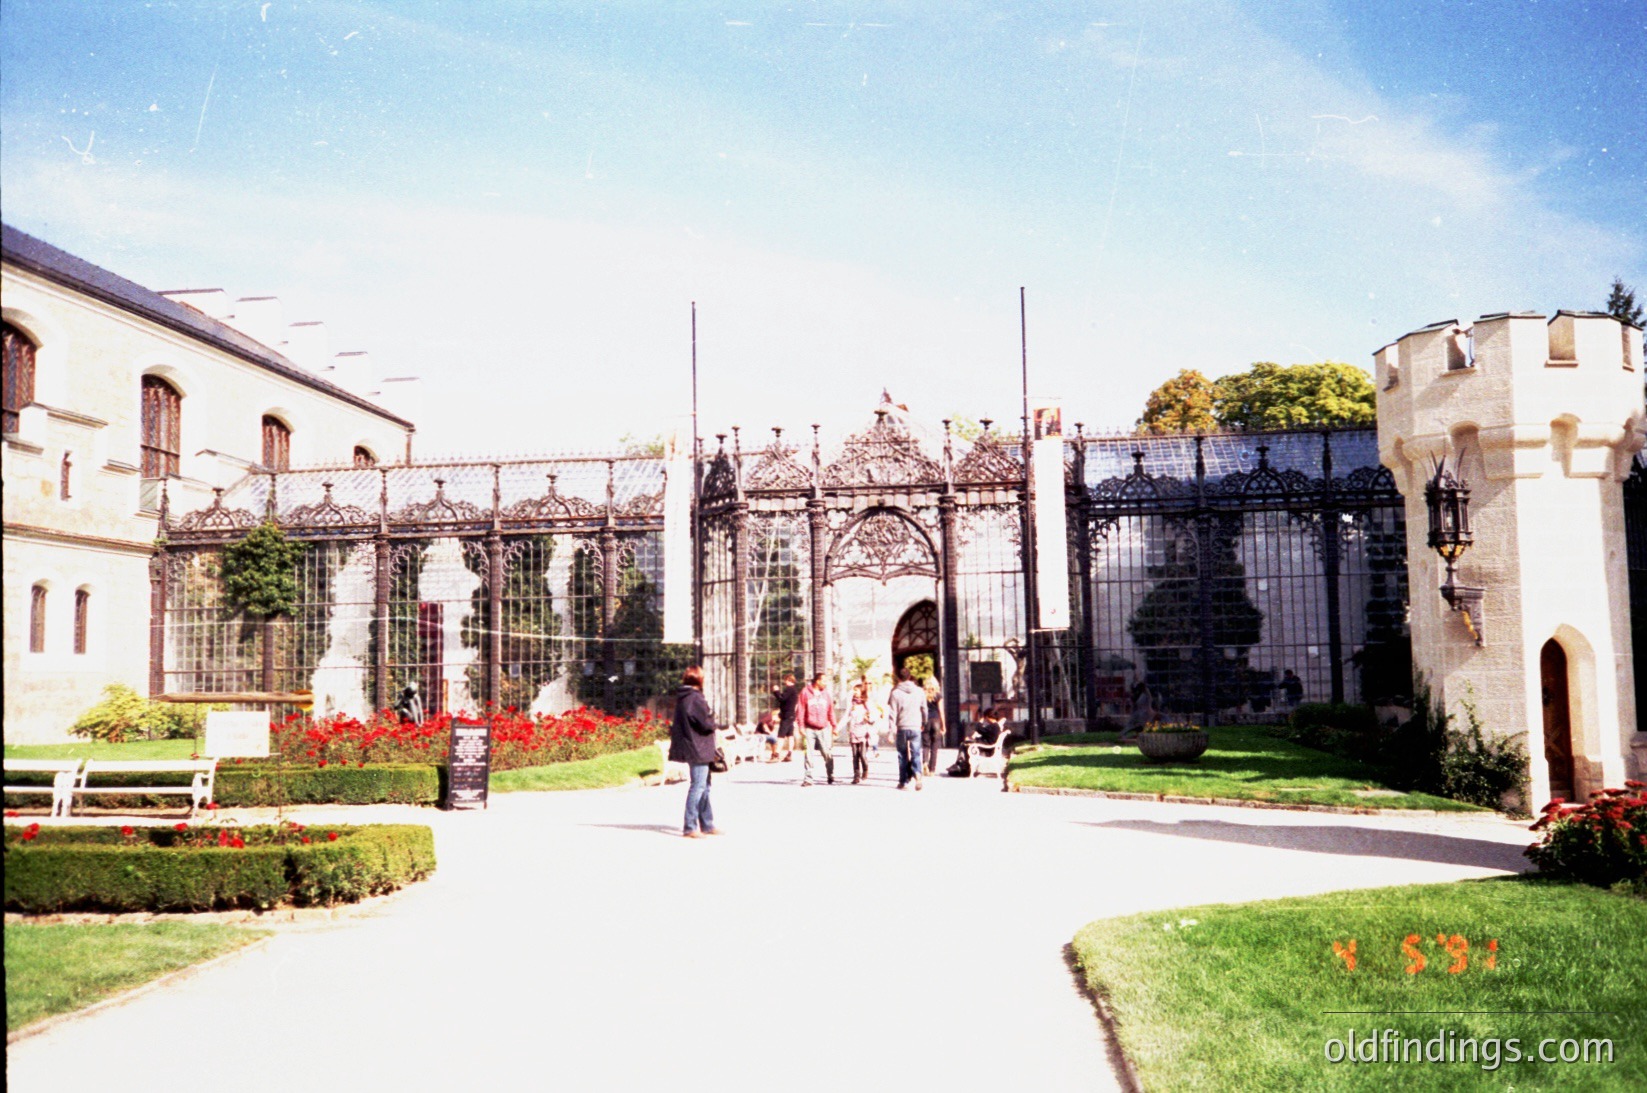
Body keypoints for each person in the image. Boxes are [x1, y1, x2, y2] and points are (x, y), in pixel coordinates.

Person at [669, 665, 721, 838]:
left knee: (704, 787)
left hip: (694, 746)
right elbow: (705, 724)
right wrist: (712, 720)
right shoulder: (695, 698)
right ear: (698, 679)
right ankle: (690, 826)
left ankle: (707, 823)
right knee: (698, 786)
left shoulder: (684, 697)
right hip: (699, 747)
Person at [888, 666, 927, 790]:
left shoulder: (895, 693)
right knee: (916, 753)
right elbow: (924, 709)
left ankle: (903, 781)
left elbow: (892, 713)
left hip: (902, 727)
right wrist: (924, 722)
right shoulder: (920, 691)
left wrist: (891, 731)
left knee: (902, 754)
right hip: (916, 726)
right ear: (910, 677)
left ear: (899, 678)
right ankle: (918, 775)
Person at [797, 671, 837, 786]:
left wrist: (834, 726)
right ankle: (808, 779)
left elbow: (830, 711)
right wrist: (801, 726)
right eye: (824, 681)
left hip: (824, 728)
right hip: (810, 728)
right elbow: (801, 710)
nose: (826, 683)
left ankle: (830, 775)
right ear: (817, 681)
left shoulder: (826, 694)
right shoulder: (805, 692)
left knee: (827, 753)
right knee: (808, 754)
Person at [844, 683, 879, 784]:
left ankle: (865, 769)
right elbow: (846, 716)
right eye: (854, 690)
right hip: (853, 732)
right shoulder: (852, 704)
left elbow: (875, 715)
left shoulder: (866, 703)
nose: (854, 692)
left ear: (861, 692)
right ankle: (856, 776)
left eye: (856, 690)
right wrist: (836, 728)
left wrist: (868, 719)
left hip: (864, 733)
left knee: (862, 755)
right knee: (855, 755)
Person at [772, 672, 801, 761]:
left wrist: (776, 691)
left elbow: (781, 698)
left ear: (788, 680)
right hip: (791, 715)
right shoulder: (795, 691)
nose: (785, 682)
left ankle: (776, 754)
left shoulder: (789, 689)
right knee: (790, 735)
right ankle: (789, 754)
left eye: (785, 680)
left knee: (781, 735)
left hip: (786, 716)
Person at [921, 677, 944, 776]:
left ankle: (925, 762)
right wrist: (944, 726)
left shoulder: (922, 695)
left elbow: (920, 709)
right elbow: (941, 711)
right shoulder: (938, 695)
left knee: (926, 745)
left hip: (926, 721)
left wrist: (921, 723)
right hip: (936, 721)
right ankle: (932, 770)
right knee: (934, 747)